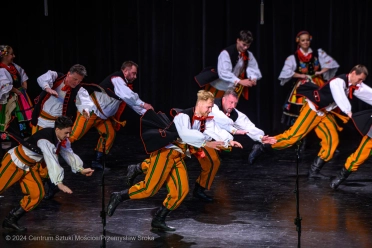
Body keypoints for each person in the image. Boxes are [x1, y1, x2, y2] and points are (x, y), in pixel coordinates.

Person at [106, 90, 242, 232]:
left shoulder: (205, 120)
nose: (210, 110)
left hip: (178, 156)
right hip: (165, 153)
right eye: (208, 107)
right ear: (200, 104)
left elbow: (216, 131)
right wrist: (206, 142)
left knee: (181, 191)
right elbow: (185, 135)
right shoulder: (182, 117)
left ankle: (158, 219)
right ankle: (119, 196)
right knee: (149, 190)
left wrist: (229, 142)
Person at [248, 65, 372, 179]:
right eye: (360, 79)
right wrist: (348, 112)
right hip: (313, 110)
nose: (360, 82)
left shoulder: (353, 85)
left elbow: (368, 94)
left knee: (331, 142)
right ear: (354, 73)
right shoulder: (338, 82)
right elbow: (339, 96)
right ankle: (263, 145)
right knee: (292, 137)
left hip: (324, 114)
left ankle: (314, 171)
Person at [0, 116, 94, 232]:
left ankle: (10, 220)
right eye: (66, 133)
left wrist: (80, 169)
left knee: (37, 195)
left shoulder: (60, 138)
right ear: (58, 129)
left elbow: (68, 153)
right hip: (14, 162)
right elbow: (51, 161)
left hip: (29, 167)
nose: (68, 136)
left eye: (69, 133)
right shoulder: (45, 141)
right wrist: (59, 183)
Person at [68, 61, 154, 170]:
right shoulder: (117, 79)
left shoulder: (124, 85)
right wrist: (144, 104)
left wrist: (146, 112)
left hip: (103, 118)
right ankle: (52, 151)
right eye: (133, 73)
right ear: (125, 71)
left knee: (109, 135)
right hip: (91, 112)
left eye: (135, 74)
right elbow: (128, 96)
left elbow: (130, 102)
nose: (135, 76)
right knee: (74, 136)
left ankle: (97, 161)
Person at [31, 64, 95, 199]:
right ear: (68, 74)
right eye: (75, 79)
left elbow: (85, 101)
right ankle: (45, 184)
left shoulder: (79, 89)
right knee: (37, 154)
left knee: (58, 151)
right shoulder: (55, 77)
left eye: (79, 80)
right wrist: (48, 88)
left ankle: (50, 185)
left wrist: (85, 110)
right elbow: (42, 79)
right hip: (41, 122)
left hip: (58, 127)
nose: (76, 83)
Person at [279, 31, 339, 127]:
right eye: (303, 40)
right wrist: (301, 75)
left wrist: (319, 72)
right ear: (298, 41)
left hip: (317, 83)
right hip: (303, 85)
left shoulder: (317, 53)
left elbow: (331, 64)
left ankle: (319, 131)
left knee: (320, 106)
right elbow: (286, 72)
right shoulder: (294, 57)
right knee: (301, 108)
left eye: (307, 40)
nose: (305, 42)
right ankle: (300, 135)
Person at [195, 30, 262, 100]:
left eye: (248, 46)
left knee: (228, 109)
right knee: (210, 108)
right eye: (244, 44)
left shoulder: (247, 54)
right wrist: (240, 81)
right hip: (218, 87)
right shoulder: (226, 53)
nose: (245, 48)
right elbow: (224, 73)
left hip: (231, 89)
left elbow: (252, 67)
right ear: (238, 40)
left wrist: (253, 78)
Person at [0, 45, 33, 145]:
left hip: (20, 95)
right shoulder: (1, 70)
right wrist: (15, 90)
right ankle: (5, 139)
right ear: (4, 56)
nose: (13, 56)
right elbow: (3, 84)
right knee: (6, 117)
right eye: (11, 54)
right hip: (9, 97)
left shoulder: (14, 66)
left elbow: (22, 74)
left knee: (22, 116)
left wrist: (24, 86)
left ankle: (25, 136)